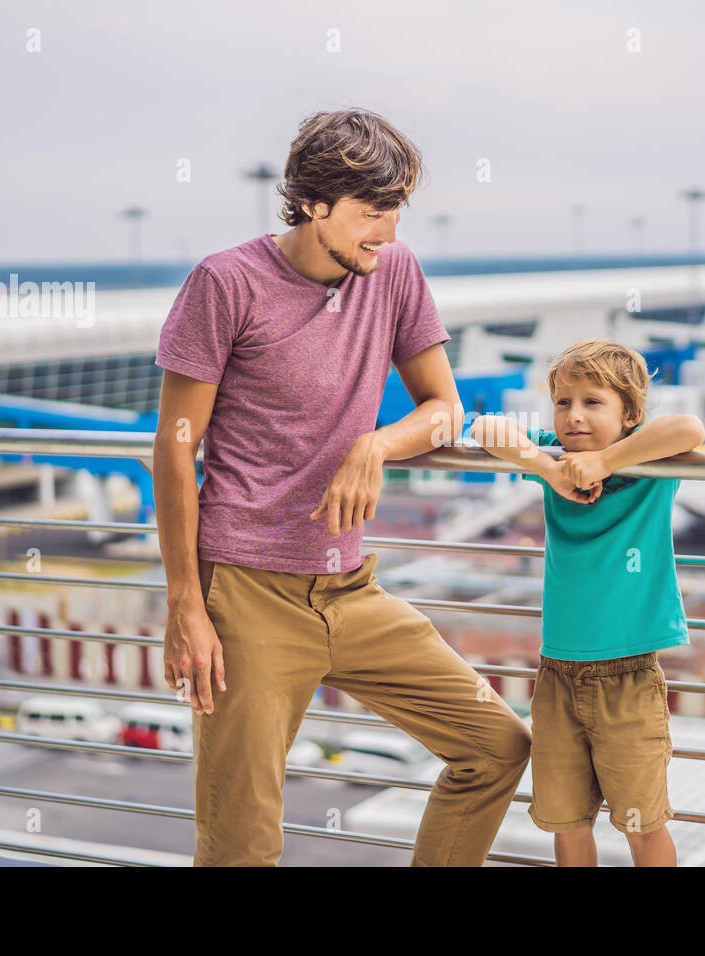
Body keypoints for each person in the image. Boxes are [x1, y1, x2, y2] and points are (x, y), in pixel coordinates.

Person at [152, 108, 530, 866]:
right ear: (313, 202)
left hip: (352, 591)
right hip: (248, 594)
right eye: (370, 212)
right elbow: (173, 449)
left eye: (395, 211)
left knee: (497, 745)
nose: (385, 232)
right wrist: (188, 607)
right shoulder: (226, 282)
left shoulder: (394, 272)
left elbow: (445, 410)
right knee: (241, 844)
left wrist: (376, 444)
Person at [470, 339, 705, 866]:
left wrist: (603, 460)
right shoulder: (554, 455)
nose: (574, 416)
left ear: (631, 414)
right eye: (562, 402)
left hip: (629, 673)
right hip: (556, 672)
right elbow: (484, 430)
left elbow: (689, 427)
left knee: (642, 823)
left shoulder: (651, 465)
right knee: (566, 822)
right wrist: (549, 467)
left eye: (593, 402)